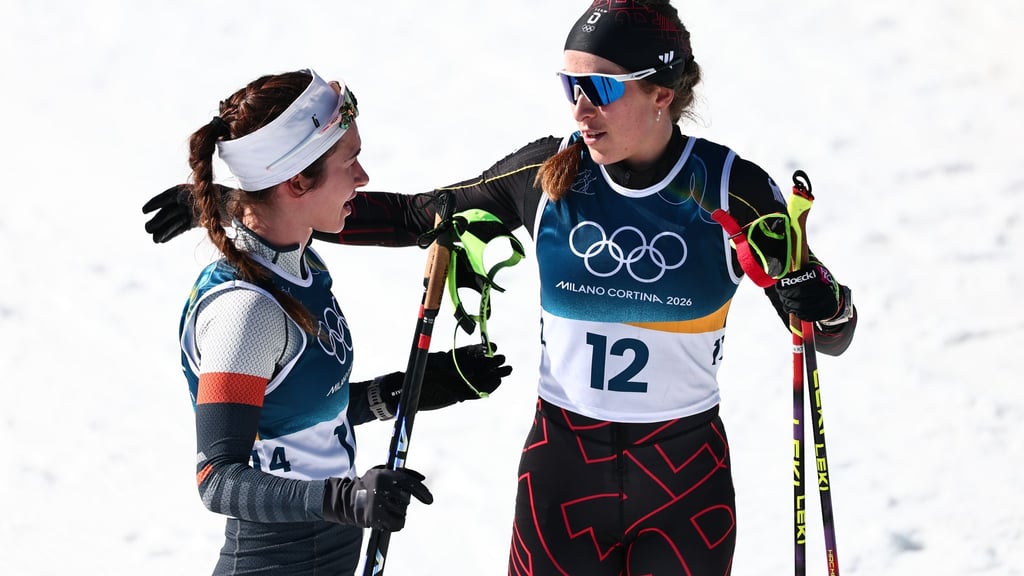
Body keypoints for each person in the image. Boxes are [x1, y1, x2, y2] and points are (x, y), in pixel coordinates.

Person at [145, 3, 857, 573]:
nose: (580, 108)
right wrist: (234, 198)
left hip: (681, 476)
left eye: (602, 88)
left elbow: (830, 331)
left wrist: (815, 295)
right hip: (563, 469)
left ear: (661, 93)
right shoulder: (547, 174)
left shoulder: (732, 189)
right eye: (570, 87)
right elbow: (404, 215)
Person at [173, 68, 512, 575]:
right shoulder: (244, 310)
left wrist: (399, 393)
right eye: (350, 161)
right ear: (295, 181)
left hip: (329, 555)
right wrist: (346, 498)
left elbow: (296, 425)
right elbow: (219, 479)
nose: (363, 178)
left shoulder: (303, 268)